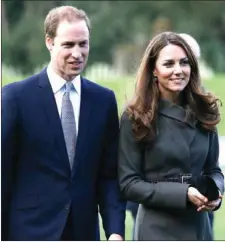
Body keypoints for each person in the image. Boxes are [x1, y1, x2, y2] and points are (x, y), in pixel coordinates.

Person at [1, 5, 126, 241]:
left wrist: (115, 231)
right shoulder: (15, 98)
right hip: (28, 233)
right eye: (68, 45)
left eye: (83, 44)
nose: (77, 54)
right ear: (50, 42)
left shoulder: (104, 100)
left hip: (83, 233)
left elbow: (109, 175)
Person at [118, 31, 224, 240]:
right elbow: (128, 184)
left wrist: (217, 194)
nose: (178, 70)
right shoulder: (136, 117)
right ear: (154, 70)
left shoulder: (205, 110)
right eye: (169, 64)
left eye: (184, 63)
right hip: (156, 229)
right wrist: (182, 193)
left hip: (199, 228)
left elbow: (214, 170)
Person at [180, 32, 215, 240]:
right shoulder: (147, 107)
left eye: (189, 60)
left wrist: (215, 193)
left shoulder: (206, 104)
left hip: (201, 209)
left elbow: (214, 165)